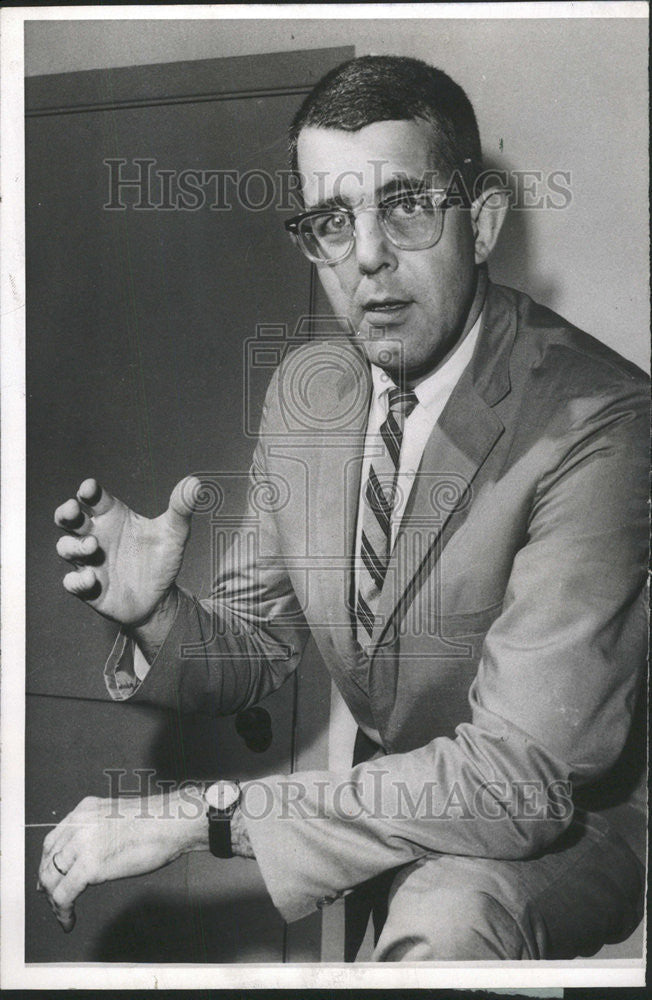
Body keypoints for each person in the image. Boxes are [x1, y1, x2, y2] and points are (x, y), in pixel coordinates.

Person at [38, 55, 647, 962]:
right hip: (384, 798)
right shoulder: (306, 390)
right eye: (332, 219)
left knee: (444, 923)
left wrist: (203, 814)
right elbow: (256, 644)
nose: (366, 258)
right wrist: (160, 618)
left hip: (561, 820)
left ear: (478, 222)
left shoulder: (601, 423)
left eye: (404, 204)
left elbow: (522, 777)